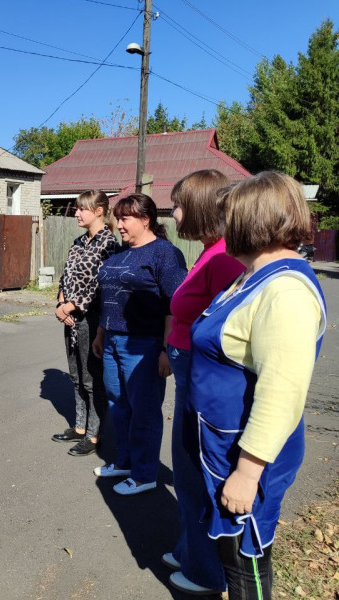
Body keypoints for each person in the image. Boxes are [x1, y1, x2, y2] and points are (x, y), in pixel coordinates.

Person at [187, 171, 326, 599]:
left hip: (248, 455)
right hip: (224, 443)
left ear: (252, 220)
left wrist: (247, 474)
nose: (222, 228)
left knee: (247, 560)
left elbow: (282, 391)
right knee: (232, 556)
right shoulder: (251, 277)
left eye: (228, 218)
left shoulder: (285, 290)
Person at [163, 171, 245, 595]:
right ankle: (189, 549)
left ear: (197, 206)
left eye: (177, 204)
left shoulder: (224, 257)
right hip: (188, 375)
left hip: (202, 380)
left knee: (195, 474)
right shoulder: (209, 252)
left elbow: (226, 333)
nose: (173, 213)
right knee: (186, 467)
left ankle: (206, 572)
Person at [92, 193, 187, 495]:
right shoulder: (119, 253)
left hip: (144, 345)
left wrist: (166, 349)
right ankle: (126, 461)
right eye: (117, 218)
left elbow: (176, 304)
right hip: (111, 341)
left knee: (143, 410)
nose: (118, 224)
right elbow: (107, 299)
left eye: (124, 218)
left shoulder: (164, 254)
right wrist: (100, 333)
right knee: (118, 405)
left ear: (145, 219)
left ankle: (145, 473)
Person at [51, 190, 119, 456]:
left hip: (91, 319)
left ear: (99, 211)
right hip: (69, 317)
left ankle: (94, 435)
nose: (77, 213)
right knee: (76, 376)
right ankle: (79, 427)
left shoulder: (108, 243)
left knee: (92, 379)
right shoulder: (79, 241)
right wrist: (60, 302)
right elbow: (66, 275)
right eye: (77, 208)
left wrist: (72, 305)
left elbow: (102, 286)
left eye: (82, 209)